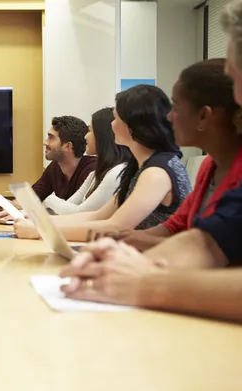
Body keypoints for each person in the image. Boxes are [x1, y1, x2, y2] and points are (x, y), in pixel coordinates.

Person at [57, 0, 242, 323]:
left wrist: (145, 279)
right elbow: (203, 239)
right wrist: (125, 258)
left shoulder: (160, 169)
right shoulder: (207, 168)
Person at [96, 59, 242, 251]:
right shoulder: (209, 166)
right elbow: (177, 226)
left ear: (203, 116)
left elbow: (207, 249)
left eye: (176, 107)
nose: (169, 116)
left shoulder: (159, 170)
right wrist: (126, 241)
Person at [15, 85, 192, 242]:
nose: (112, 125)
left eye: (115, 119)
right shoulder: (139, 168)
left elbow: (115, 228)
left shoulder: (156, 172)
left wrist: (40, 229)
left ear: (132, 125)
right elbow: (97, 216)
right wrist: (39, 222)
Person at [44, 108, 131, 214]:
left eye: (90, 131)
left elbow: (78, 212)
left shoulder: (116, 173)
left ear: (102, 136)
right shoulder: (96, 173)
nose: (85, 137)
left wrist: (49, 199)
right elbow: (69, 207)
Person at [30, 116, 97, 203]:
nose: (45, 142)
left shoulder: (92, 170)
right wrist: (10, 207)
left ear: (68, 146)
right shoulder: (55, 166)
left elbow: (79, 211)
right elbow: (32, 197)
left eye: (51, 138)